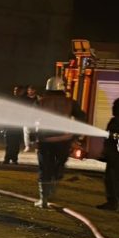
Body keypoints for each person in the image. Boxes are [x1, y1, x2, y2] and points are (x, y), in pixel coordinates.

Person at [32, 77, 86, 208]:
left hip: (45, 141)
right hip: (64, 140)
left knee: (45, 169)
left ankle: (43, 199)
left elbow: (31, 120)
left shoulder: (41, 102)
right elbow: (82, 118)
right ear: (62, 87)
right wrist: (76, 136)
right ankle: (53, 185)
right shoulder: (70, 102)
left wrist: (33, 139)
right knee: (58, 166)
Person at [2, 85, 24, 164]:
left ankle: (13, 158)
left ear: (21, 92)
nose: (16, 92)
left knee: (15, 143)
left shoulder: (22, 101)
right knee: (9, 143)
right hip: (10, 124)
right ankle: (8, 158)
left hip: (17, 125)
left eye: (17, 90)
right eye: (15, 90)